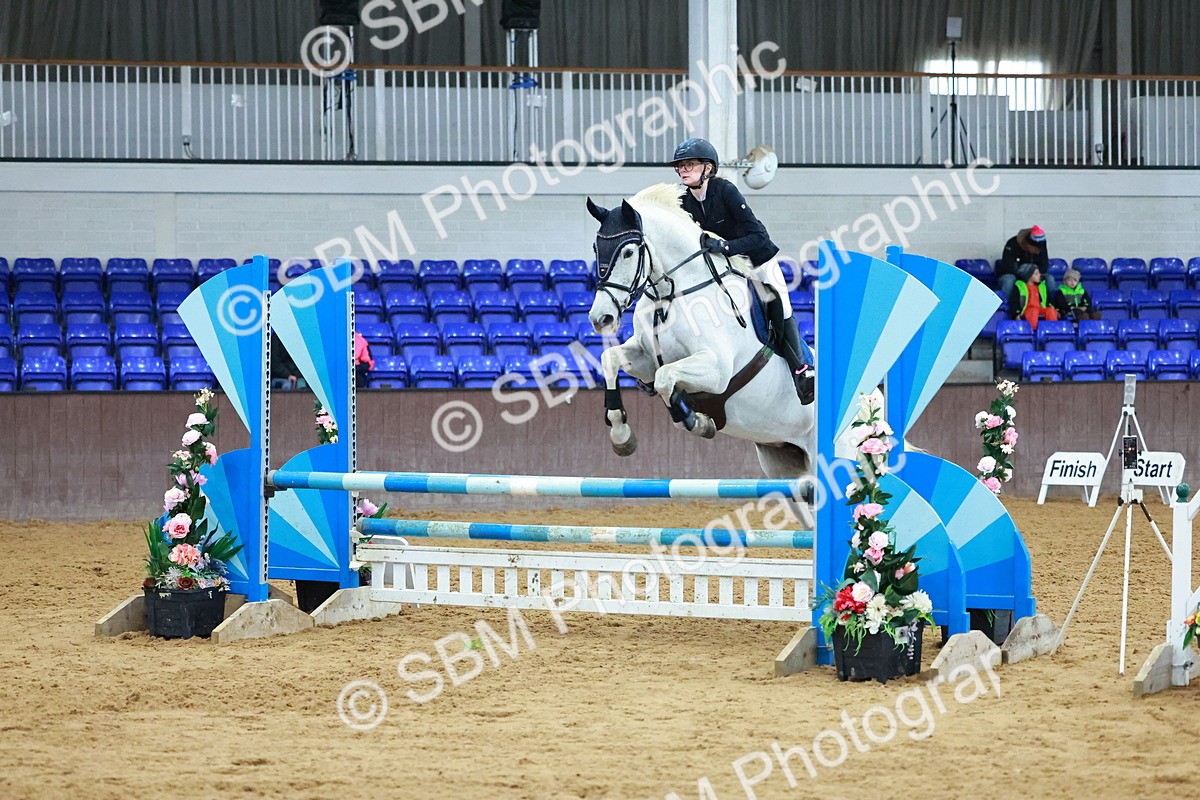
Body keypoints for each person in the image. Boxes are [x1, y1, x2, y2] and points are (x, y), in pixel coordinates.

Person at [669, 137, 813, 404]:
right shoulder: (682, 202)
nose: (683, 170)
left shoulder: (726, 191)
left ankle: (802, 369)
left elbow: (758, 235)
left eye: (690, 164)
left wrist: (724, 246)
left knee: (777, 301)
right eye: (680, 166)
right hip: (726, 269)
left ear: (708, 168)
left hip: (758, 260)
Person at [998, 225, 1055, 297]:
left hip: (1034, 275)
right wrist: (1027, 275)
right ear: (1028, 244)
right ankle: (1005, 305)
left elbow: (1044, 265)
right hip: (1014, 275)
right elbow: (1008, 267)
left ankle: (1053, 304)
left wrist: (1034, 275)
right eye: (1036, 249)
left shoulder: (1041, 247)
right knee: (1009, 280)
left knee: (1050, 278)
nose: (1038, 252)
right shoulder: (1012, 244)